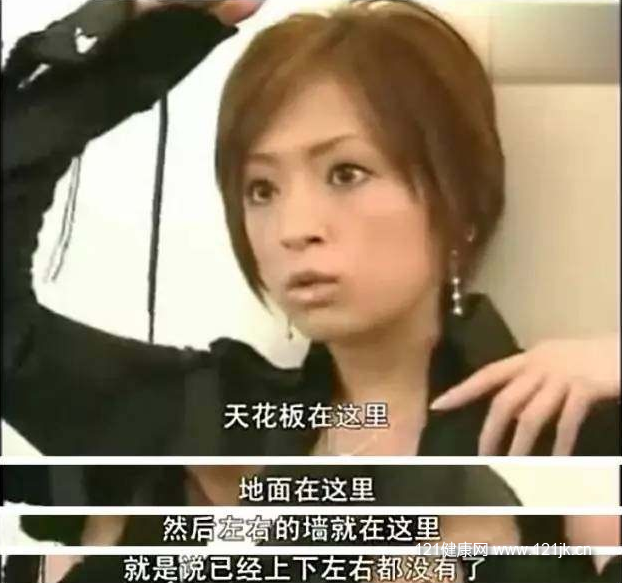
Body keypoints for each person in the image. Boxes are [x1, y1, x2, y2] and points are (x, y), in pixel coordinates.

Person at [2, 0, 619, 458]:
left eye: (347, 173)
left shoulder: (572, 433)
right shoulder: (210, 425)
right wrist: (137, 43)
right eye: (261, 189)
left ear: (458, 200)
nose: (293, 229)